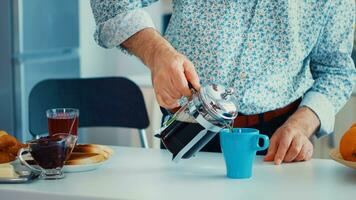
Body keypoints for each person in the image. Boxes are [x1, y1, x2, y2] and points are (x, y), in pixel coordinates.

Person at [90, 0, 356, 164]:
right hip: (187, 125)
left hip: (276, 141)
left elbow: (336, 71)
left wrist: (303, 123)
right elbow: (112, 3)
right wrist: (156, 52)